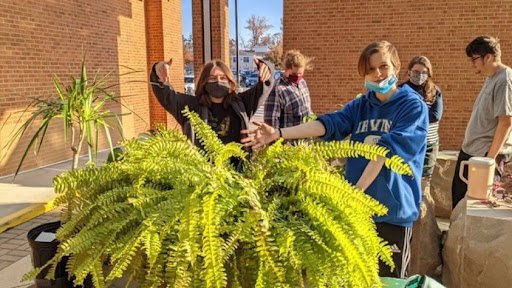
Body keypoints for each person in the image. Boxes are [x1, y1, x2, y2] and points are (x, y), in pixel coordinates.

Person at [241, 41, 428, 279]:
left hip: (392, 213)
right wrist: (279, 133)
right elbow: (328, 124)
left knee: (387, 281)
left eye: (383, 66)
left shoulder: (412, 106)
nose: (377, 74)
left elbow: (383, 151)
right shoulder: (361, 105)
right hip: (355, 213)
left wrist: (353, 195)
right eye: (370, 69)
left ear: (397, 66)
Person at [150, 58, 274, 168]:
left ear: (230, 81)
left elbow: (265, 84)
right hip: (202, 176)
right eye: (212, 78)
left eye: (222, 77)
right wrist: (157, 69)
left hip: (238, 174)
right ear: (204, 82)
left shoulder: (243, 103)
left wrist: (266, 66)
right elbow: (165, 94)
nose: (218, 81)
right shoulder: (190, 106)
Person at [451, 36, 512, 209]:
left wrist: (489, 160)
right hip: (471, 151)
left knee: (476, 207)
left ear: (489, 57)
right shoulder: (491, 77)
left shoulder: (504, 80)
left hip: (484, 156)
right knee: (458, 201)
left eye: (474, 59)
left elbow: (506, 122)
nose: (472, 64)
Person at [399, 56, 443, 184]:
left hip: (429, 144)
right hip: (407, 144)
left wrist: (411, 113)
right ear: (409, 71)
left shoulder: (434, 91)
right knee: (406, 179)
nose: (420, 75)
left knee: (424, 182)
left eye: (424, 73)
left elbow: (435, 116)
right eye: (416, 72)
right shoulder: (401, 91)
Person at [264, 50, 313, 133]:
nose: (297, 77)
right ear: (285, 69)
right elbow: (271, 123)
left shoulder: (302, 83)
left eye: (300, 74)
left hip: (305, 140)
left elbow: (308, 109)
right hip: (288, 142)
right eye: (294, 74)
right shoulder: (277, 89)